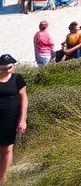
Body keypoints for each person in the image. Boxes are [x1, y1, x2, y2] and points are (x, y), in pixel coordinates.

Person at [0, 53, 28, 184]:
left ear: (13, 66)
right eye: (3, 67)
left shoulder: (18, 79)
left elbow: (24, 98)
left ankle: (3, 178)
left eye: (9, 67)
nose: (6, 70)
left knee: (7, 148)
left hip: (10, 119)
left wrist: (22, 120)